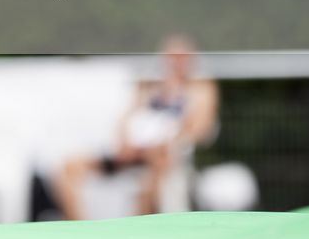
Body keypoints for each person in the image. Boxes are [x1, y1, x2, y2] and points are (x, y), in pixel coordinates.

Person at [53, 35, 218, 219]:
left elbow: (199, 129)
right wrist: (125, 142)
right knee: (69, 167)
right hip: (130, 151)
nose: (175, 62)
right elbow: (125, 118)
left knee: (158, 160)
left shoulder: (200, 89)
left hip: (162, 153)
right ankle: (80, 227)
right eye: (171, 56)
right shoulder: (148, 85)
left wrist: (162, 142)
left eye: (181, 56)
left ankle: (137, 223)